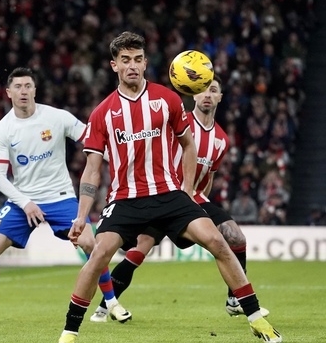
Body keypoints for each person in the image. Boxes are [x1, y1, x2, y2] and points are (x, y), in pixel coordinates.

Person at [58, 32, 281, 343]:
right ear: (114, 65)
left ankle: (257, 318)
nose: (132, 66)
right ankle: (69, 332)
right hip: (126, 199)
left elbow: (188, 146)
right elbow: (92, 169)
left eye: (137, 59)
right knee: (98, 255)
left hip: (170, 195)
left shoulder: (167, 99)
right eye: (125, 60)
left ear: (145, 63)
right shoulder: (102, 113)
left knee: (218, 240)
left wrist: (188, 191)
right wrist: (82, 216)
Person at [89, 75, 269, 321]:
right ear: (193, 93)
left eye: (213, 90)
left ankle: (234, 299)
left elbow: (208, 177)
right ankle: (104, 306)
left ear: (220, 98)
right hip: (161, 192)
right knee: (140, 249)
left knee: (235, 236)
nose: (207, 95)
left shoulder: (221, 140)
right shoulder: (178, 120)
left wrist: (197, 204)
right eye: (203, 90)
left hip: (189, 200)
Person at [0, 67, 131, 326]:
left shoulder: (57, 117)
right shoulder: (2, 130)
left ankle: (111, 303)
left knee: (93, 246)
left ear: (35, 90)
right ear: (9, 93)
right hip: (22, 200)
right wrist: (25, 203)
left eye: (28, 86)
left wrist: (119, 160)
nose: (24, 91)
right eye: (18, 87)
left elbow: (90, 140)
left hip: (61, 197)